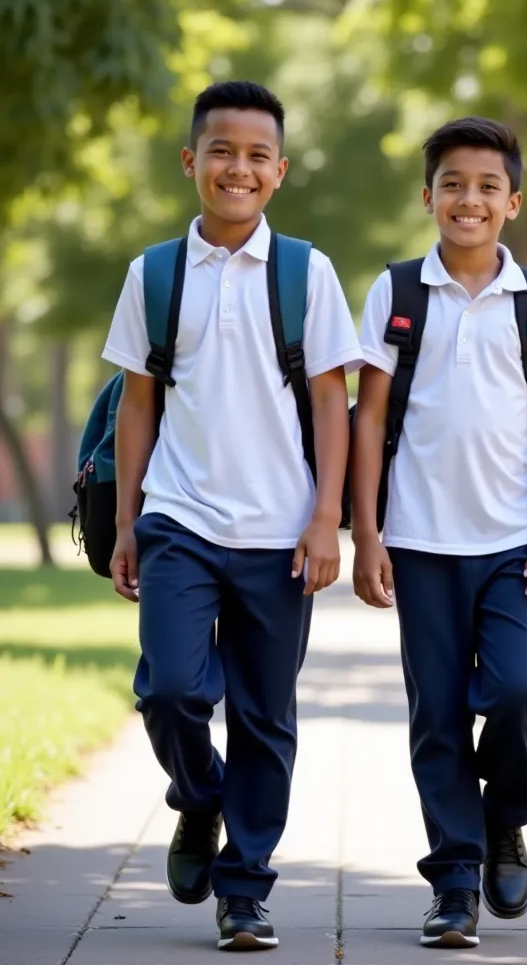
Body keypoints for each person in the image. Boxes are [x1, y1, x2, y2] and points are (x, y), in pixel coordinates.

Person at [102, 81, 361, 952]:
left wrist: (327, 516)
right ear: (191, 162)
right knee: (172, 689)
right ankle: (200, 798)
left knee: (264, 715)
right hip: (179, 516)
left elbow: (334, 403)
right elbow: (138, 404)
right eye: (221, 151)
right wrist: (130, 518)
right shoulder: (154, 274)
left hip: (280, 531)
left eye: (257, 156)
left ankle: (244, 890)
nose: (237, 168)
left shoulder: (306, 273)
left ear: (279, 172)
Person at [351, 117, 527, 949]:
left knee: (518, 692)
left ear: (513, 202)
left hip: (514, 542)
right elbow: (368, 416)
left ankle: (505, 822)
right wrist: (368, 534)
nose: (469, 199)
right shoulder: (397, 291)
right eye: (453, 184)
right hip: (418, 542)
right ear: (428, 197)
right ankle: (455, 882)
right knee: (439, 718)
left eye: (488, 186)